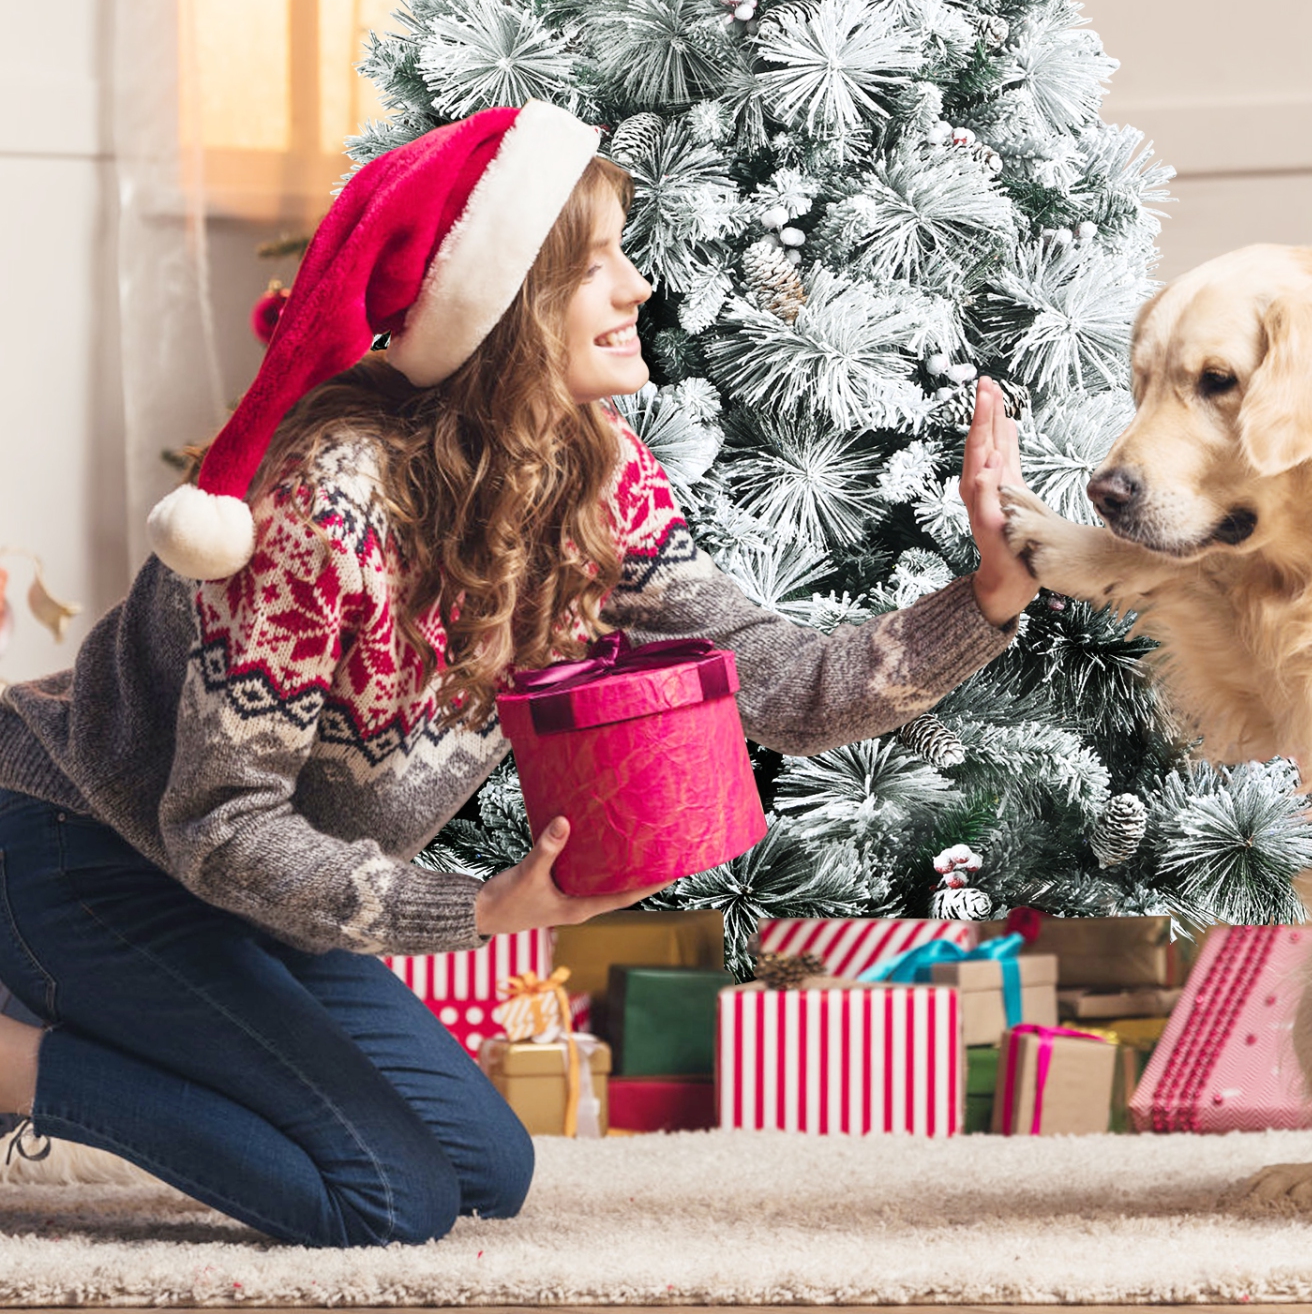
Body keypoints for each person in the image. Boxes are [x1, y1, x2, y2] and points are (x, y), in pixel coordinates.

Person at [0, 102, 1035, 1247]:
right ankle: (15, 1063)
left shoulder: (591, 476)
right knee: (382, 1196)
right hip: (84, 848)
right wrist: (480, 908)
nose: (637, 287)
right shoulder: (325, 507)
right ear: (501, 305)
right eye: (595, 266)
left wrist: (986, 595)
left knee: (484, 1170)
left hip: (259, 889)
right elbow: (219, 825)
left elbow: (779, 687)